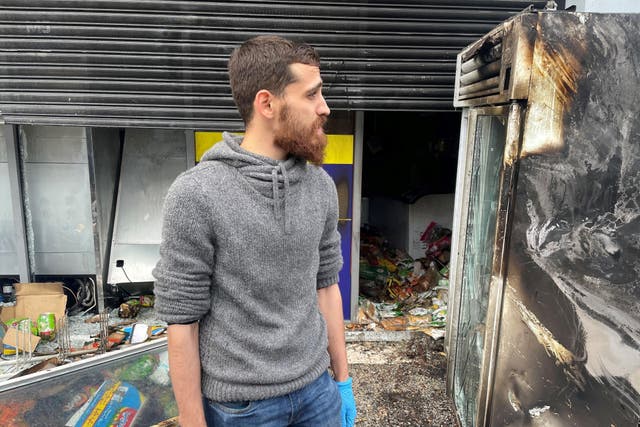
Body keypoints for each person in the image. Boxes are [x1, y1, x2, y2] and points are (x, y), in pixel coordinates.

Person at [153, 35, 357, 427]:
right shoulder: (196, 194)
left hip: (318, 392)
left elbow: (328, 287)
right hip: (241, 408)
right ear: (267, 103)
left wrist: (342, 381)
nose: (324, 108)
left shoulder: (320, 187)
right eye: (312, 95)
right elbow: (182, 325)